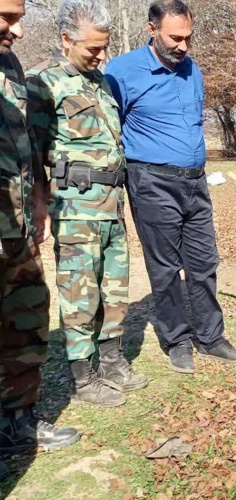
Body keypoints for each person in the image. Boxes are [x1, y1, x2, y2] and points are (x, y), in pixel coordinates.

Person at [104, 0, 236, 374]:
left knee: (204, 262)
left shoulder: (191, 70)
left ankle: (212, 337)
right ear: (152, 30)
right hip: (152, 182)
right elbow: (109, 128)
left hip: (195, 183)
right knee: (166, 268)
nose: (183, 46)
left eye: (188, 37)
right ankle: (178, 340)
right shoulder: (122, 72)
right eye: (175, 38)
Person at [27, 0, 148, 408]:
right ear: (66, 38)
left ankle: (112, 359)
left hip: (112, 206)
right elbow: (31, 152)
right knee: (80, 292)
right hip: (75, 208)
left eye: (104, 47)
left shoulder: (104, 84)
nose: (101, 56)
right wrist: (39, 203)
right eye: (93, 48)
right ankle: (83, 375)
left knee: (115, 288)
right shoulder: (43, 83)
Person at [0, 0, 79, 453]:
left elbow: (26, 140)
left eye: (20, 17)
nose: (19, 31)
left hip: (16, 225)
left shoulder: (9, 64)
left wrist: (38, 199)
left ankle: (18, 423)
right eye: (8, 17)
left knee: (25, 318)